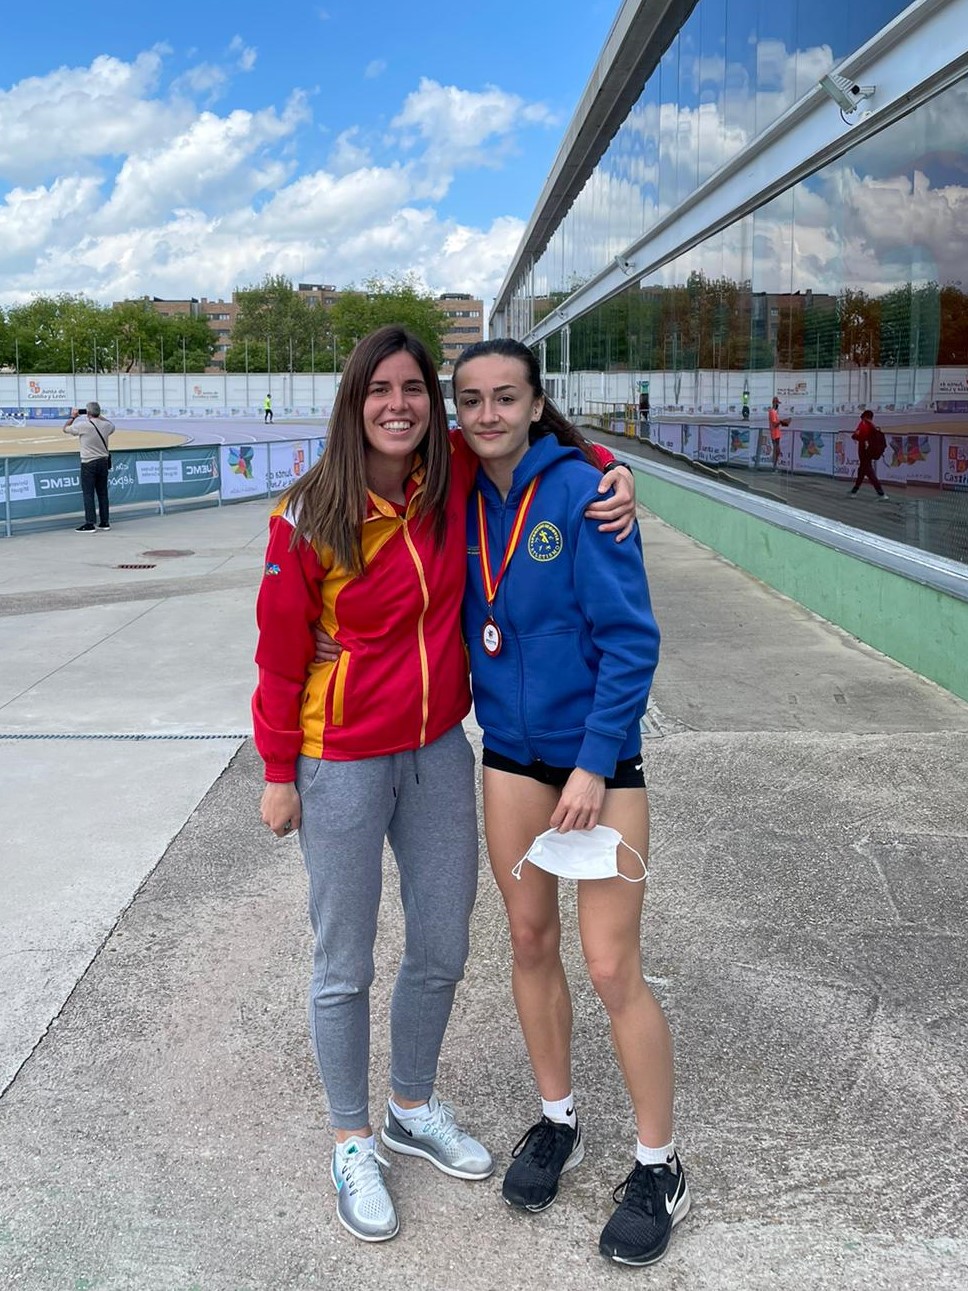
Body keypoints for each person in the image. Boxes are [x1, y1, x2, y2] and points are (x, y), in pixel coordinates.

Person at [252, 326, 636, 1246]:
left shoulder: (449, 476)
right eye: (379, 389)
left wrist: (618, 472)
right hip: (337, 756)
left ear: (433, 403)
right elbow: (274, 657)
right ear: (355, 401)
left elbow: (544, 448)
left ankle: (409, 1106)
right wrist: (277, 772)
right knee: (343, 960)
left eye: (414, 389)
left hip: (436, 749)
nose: (399, 404)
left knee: (442, 943)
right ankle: (351, 1137)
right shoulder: (306, 517)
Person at [452, 338, 689, 1268]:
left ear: (536, 402)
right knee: (528, 940)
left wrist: (595, 763)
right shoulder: (457, 495)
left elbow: (632, 640)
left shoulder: (584, 492)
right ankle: (558, 1119)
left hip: (599, 766)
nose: (486, 415)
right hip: (509, 756)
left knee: (610, 963)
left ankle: (658, 1161)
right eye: (470, 399)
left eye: (505, 397)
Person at [63, 401, 114, 532]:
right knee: (103, 493)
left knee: (88, 494)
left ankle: (90, 523)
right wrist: (99, 416)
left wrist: (73, 417)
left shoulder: (83, 426)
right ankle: (105, 521)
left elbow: (65, 428)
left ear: (88, 413)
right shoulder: (106, 425)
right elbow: (112, 425)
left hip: (89, 462)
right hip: (103, 462)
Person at [849, 409, 887, 499]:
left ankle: (881, 493)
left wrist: (855, 436)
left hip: (864, 452)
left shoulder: (864, 424)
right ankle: (854, 490)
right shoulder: (873, 426)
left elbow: (857, 436)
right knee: (862, 471)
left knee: (869, 472)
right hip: (868, 452)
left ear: (865, 417)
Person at [767, 396, 789, 469]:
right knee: (776, 450)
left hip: (776, 433)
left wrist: (782, 422)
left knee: (778, 450)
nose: (778, 405)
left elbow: (776, 423)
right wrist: (781, 422)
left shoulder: (775, 412)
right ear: (774, 403)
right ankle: (774, 466)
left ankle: (775, 465)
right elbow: (774, 424)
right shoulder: (772, 412)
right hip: (774, 433)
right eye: (777, 404)